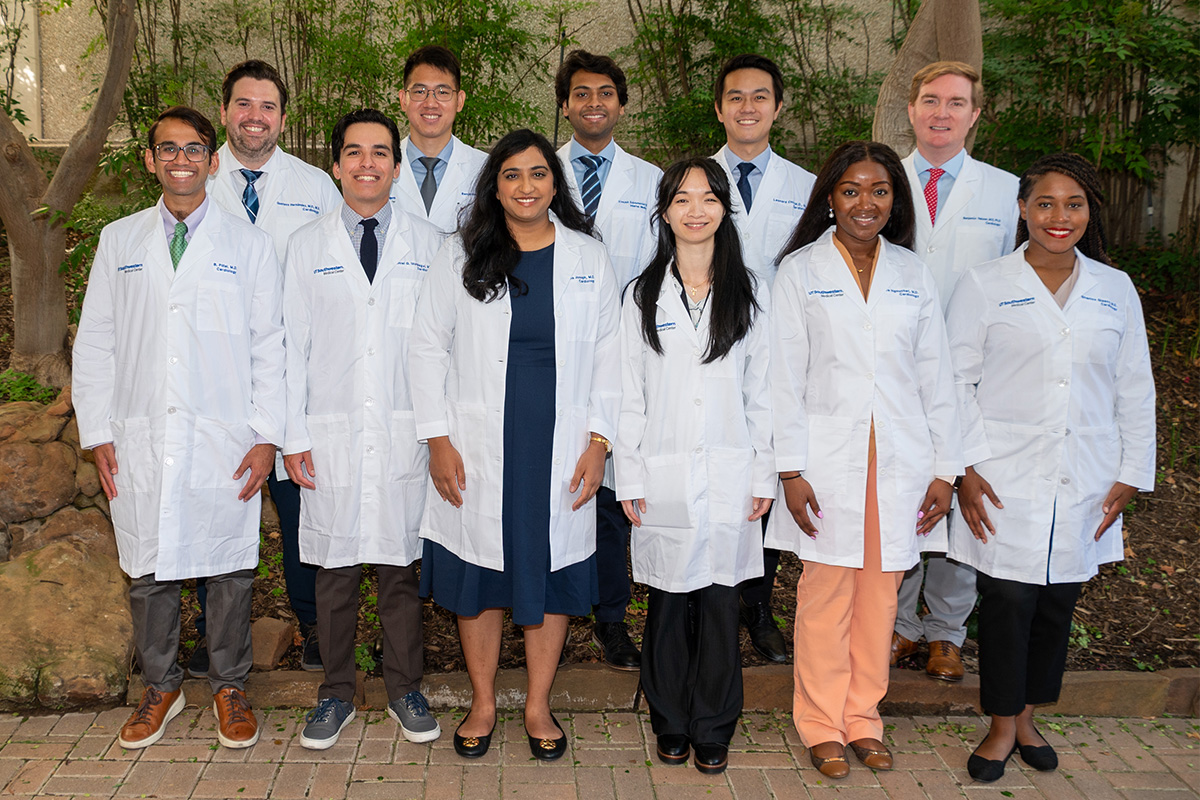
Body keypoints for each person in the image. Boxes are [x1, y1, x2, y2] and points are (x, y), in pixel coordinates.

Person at [73, 106, 285, 750]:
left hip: (224, 435)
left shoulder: (248, 245)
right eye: (169, 149)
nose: (183, 160)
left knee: (227, 569)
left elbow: (269, 345)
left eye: (195, 149)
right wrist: (99, 431)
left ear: (212, 161)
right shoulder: (120, 240)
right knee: (150, 567)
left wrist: (266, 435)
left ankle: (229, 687)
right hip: (140, 433)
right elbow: (97, 343)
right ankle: (160, 688)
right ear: (150, 160)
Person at [409, 129, 620, 761]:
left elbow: (613, 357)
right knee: (480, 575)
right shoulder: (460, 254)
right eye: (511, 175)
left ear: (555, 183)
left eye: (537, 174)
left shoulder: (589, 257)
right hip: (476, 440)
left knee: (549, 575)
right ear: (493, 185)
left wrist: (600, 442)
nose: (525, 187)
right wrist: (438, 440)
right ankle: (481, 701)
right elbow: (425, 348)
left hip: (559, 443)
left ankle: (537, 704)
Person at [946, 153, 1155, 782]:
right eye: (1045, 204)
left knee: (1058, 601)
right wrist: (965, 466)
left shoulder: (1115, 288)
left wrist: (1130, 470)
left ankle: (1030, 715)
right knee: (1008, 599)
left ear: (1090, 213)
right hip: (1003, 473)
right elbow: (954, 382)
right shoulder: (985, 283)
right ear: (1022, 209)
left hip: (1086, 473)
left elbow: (1134, 385)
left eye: (1074, 205)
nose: (1059, 217)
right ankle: (1002, 723)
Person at [766, 141, 963, 778]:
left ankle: (863, 719)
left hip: (902, 459)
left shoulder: (912, 273)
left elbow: (937, 375)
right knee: (826, 595)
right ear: (830, 197)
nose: (865, 203)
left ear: (894, 201)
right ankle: (821, 723)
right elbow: (782, 377)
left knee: (880, 597)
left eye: (879, 191)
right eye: (852, 190)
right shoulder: (799, 271)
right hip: (826, 463)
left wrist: (944, 469)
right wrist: (790, 470)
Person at [282, 110, 444, 749]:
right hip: (331, 433)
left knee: (402, 569)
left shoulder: (431, 245)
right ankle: (336, 692)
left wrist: (441, 434)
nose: (367, 163)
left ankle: (405, 687)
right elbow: (290, 347)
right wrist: (293, 435)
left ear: (398, 167)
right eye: (354, 153)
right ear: (336, 166)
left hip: (405, 430)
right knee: (335, 569)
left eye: (380, 152)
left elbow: (443, 347)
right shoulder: (304, 246)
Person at [615, 158, 773, 776]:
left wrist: (763, 474)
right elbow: (628, 395)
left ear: (724, 210)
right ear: (664, 212)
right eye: (681, 199)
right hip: (663, 469)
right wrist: (628, 474)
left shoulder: (751, 291)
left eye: (708, 198)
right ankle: (669, 719)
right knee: (667, 601)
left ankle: (713, 723)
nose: (695, 209)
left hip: (731, 470)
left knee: (718, 602)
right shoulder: (641, 295)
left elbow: (764, 392)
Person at [203, 59, 342, 675]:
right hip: (217, 379)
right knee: (216, 507)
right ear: (225, 111)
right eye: (243, 104)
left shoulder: (315, 187)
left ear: (283, 119)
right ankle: (214, 639)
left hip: (293, 379)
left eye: (266, 107)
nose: (254, 117)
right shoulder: (196, 180)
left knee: (297, 511)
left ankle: (313, 626)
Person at [891, 61, 1020, 682]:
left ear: (974, 115)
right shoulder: (883, 183)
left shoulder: (1006, 191)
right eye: (930, 100)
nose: (941, 113)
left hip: (974, 374)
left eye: (956, 103)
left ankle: (945, 632)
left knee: (961, 495)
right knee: (902, 495)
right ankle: (897, 626)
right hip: (891, 367)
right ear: (911, 110)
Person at [554, 48, 663, 671]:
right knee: (560, 489)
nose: (593, 104)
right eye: (581, 94)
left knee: (618, 500)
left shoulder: (650, 181)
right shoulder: (540, 172)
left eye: (605, 94)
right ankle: (550, 612)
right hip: (559, 354)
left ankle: (612, 619)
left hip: (629, 354)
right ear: (566, 105)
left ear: (621, 104)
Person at [710, 53, 815, 662]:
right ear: (719, 108)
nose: (747, 108)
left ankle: (760, 608)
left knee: (766, 473)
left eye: (759, 97)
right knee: (720, 472)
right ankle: (714, 597)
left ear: (777, 107)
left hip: (781, 355)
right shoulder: (694, 181)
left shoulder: (806, 189)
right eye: (735, 97)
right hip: (712, 353)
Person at [392, 45, 488, 235]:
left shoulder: (486, 169)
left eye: (442, 92)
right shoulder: (379, 166)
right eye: (420, 91)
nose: (430, 103)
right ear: (403, 99)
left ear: (459, 101)